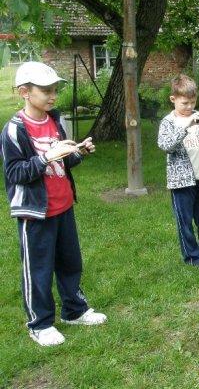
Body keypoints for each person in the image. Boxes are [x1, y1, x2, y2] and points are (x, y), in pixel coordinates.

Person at [0, 61, 106, 347]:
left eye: (55, 90)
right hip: (35, 213)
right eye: (46, 90)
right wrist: (46, 157)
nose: (52, 96)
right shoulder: (14, 130)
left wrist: (79, 151)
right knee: (39, 269)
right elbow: (14, 173)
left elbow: (64, 160)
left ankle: (74, 310)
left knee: (70, 262)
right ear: (25, 91)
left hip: (63, 206)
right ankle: (40, 323)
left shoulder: (55, 120)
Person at [157, 74, 199, 267]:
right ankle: (193, 257)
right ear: (173, 99)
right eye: (184, 103)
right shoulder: (168, 122)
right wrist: (186, 127)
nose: (189, 107)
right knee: (184, 221)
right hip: (181, 181)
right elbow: (165, 145)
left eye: (193, 102)